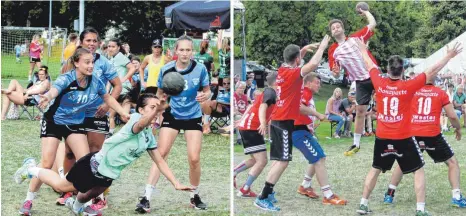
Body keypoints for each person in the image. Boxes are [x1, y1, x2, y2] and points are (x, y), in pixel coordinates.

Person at [14, 93, 193, 215]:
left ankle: (76, 208)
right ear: (141, 110)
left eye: (158, 110)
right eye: (152, 108)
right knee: (62, 187)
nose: (156, 113)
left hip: (108, 174)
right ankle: (31, 168)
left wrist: (176, 183)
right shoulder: (135, 121)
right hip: (92, 166)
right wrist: (156, 107)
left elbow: (160, 161)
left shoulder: (148, 137)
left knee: (85, 196)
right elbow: (142, 123)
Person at [354, 38, 462, 216]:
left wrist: (363, 50)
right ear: (403, 70)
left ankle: (363, 204)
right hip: (403, 137)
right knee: (418, 170)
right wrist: (449, 55)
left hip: (382, 136)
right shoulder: (409, 86)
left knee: (375, 169)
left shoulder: (379, 83)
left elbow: (369, 65)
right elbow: (432, 69)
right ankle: (420, 209)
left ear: (388, 70)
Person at [17, 48, 129, 216]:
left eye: (92, 62)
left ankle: (81, 205)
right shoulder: (67, 78)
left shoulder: (95, 81)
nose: (91, 66)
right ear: (76, 63)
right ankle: (28, 199)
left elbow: (107, 98)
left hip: (74, 124)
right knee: (47, 163)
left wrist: (122, 112)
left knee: (86, 164)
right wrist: (48, 96)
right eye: (87, 62)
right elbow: (55, 89)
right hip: (54, 121)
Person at [253, 35, 330, 211]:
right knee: (282, 161)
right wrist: (322, 47)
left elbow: (296, 60)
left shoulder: (282, 69)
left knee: (281, 160)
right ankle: (263, 196)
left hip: (280, 121)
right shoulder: (292, 73)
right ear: (297, 60)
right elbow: (313, 65)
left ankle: (268, 193)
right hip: (283, 122)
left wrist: (303, 49)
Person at [135, 35, 211, 213]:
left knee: (194, 158)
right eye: (182, 49)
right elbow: (160, 93)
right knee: (160, 154)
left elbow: (208, 91)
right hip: (172, 114)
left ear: (192, 51)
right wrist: (158, 110)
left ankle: (194, 195)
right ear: (175, 51)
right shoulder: (167, 69)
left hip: (193, 115)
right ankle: (146, 198)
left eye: (188, 50)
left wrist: (204, 96)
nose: (185, 53)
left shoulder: (200, 69)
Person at [382, 71, 465, 208]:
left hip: (412, 133)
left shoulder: (412, 90)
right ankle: (456, 197)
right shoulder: (440, 92)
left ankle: (389, 194)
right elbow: (452, 116)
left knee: (402, 163)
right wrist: (457, 128)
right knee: (452, 163)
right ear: (435, 79)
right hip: (432, 134)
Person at [328, 7, 377, 156]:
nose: (336, 29)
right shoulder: (333, 51)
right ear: (332, 33)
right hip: (360, 82)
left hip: (373, 74)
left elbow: (373, 23)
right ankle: (356, 144)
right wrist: (335, 73)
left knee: (388, 103)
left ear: (343, 29)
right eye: (333, 28)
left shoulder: (356, 38)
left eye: (338, 26)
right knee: (360, 111)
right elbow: (335, 75)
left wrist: (366, 12)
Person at [293, 72, 347, 205]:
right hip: (298, 131)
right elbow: (298, 107)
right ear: (308, 83)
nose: (319, 85)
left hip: (305, 131)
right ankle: (328, 195)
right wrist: (318, 114)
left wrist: (311, 122)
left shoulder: (308, 94)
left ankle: (305, 186)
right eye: (317, 82)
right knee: (317, 160)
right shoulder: (305, 92)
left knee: (321, 157)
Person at [234, 71, 277, 197]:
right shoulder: (271, 92)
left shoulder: (270, 92)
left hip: (249, 127)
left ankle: (235, 173)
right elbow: (263, 107)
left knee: (255, 160)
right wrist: (263, 123)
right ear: (277, 81)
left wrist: (243, 120)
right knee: (262, 161)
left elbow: (252, 106)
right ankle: (245, 189)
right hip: (252, 128)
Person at [107, 38, 137, 135]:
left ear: (118, 47)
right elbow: (110, 78)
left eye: (113, 46)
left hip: (124, 91)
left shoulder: (120, 56)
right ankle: (110, 134)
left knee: (124, 117)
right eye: (109, 46)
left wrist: (123, 79)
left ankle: (138, 130)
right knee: (110, 115)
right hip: (115, 91)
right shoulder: (111, 59)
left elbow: (132, 68)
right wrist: (107, 91)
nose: (110, 48)